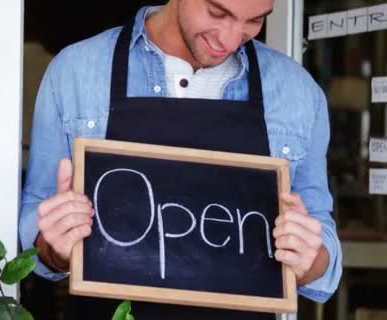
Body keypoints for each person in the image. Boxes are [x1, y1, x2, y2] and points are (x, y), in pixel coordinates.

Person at [19, 0, 343, 318]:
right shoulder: (76, 72)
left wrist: (308, 258)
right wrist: (56, 247)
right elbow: (35, 230)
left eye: (255, 21)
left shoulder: (297, 92)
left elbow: (322, 241)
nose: (230, 39)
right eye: (218, 12)